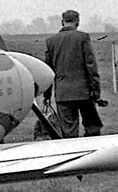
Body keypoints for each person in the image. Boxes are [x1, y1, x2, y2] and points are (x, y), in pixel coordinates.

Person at [43, 9, 105, 138]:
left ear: (62, 22)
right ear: (78, 22)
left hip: (62, 94)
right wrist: (96, 90)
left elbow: (47, 71)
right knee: (92, 128)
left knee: (69, 133)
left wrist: (47, 95)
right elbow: (91, 65)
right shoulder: (83, 37)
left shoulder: (51, 41)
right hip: (84, 93)